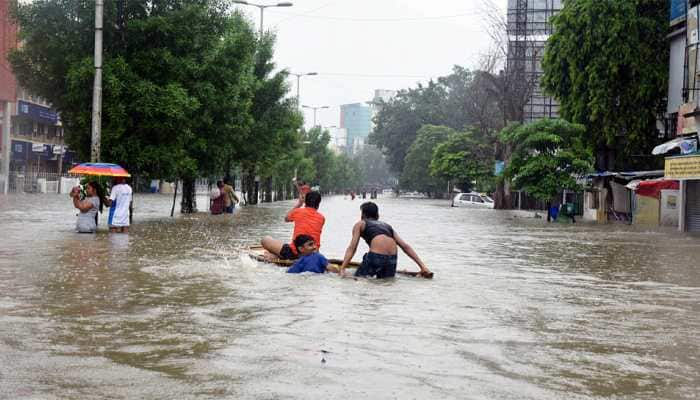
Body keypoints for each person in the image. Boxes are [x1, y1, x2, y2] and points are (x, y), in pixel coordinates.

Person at [338, 201, 432, 279]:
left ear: (363, 215)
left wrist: (342, 268)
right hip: (392, 259)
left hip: (376, 257)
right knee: (386, 282)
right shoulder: (387, 226)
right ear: (377, 215)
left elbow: (352, 248)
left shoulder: (360, 224)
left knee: (358, 279)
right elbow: (405, 246)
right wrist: (423, 267)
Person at [261, 191, 325, 260]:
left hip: (295, 253)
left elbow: (286, 218)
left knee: (265, 239)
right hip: (314, 253)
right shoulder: (322, 218)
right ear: (318, 205)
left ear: (305, 202)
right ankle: (278, 256)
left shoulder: (298, 211)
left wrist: (299, 204)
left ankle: (277, 256)